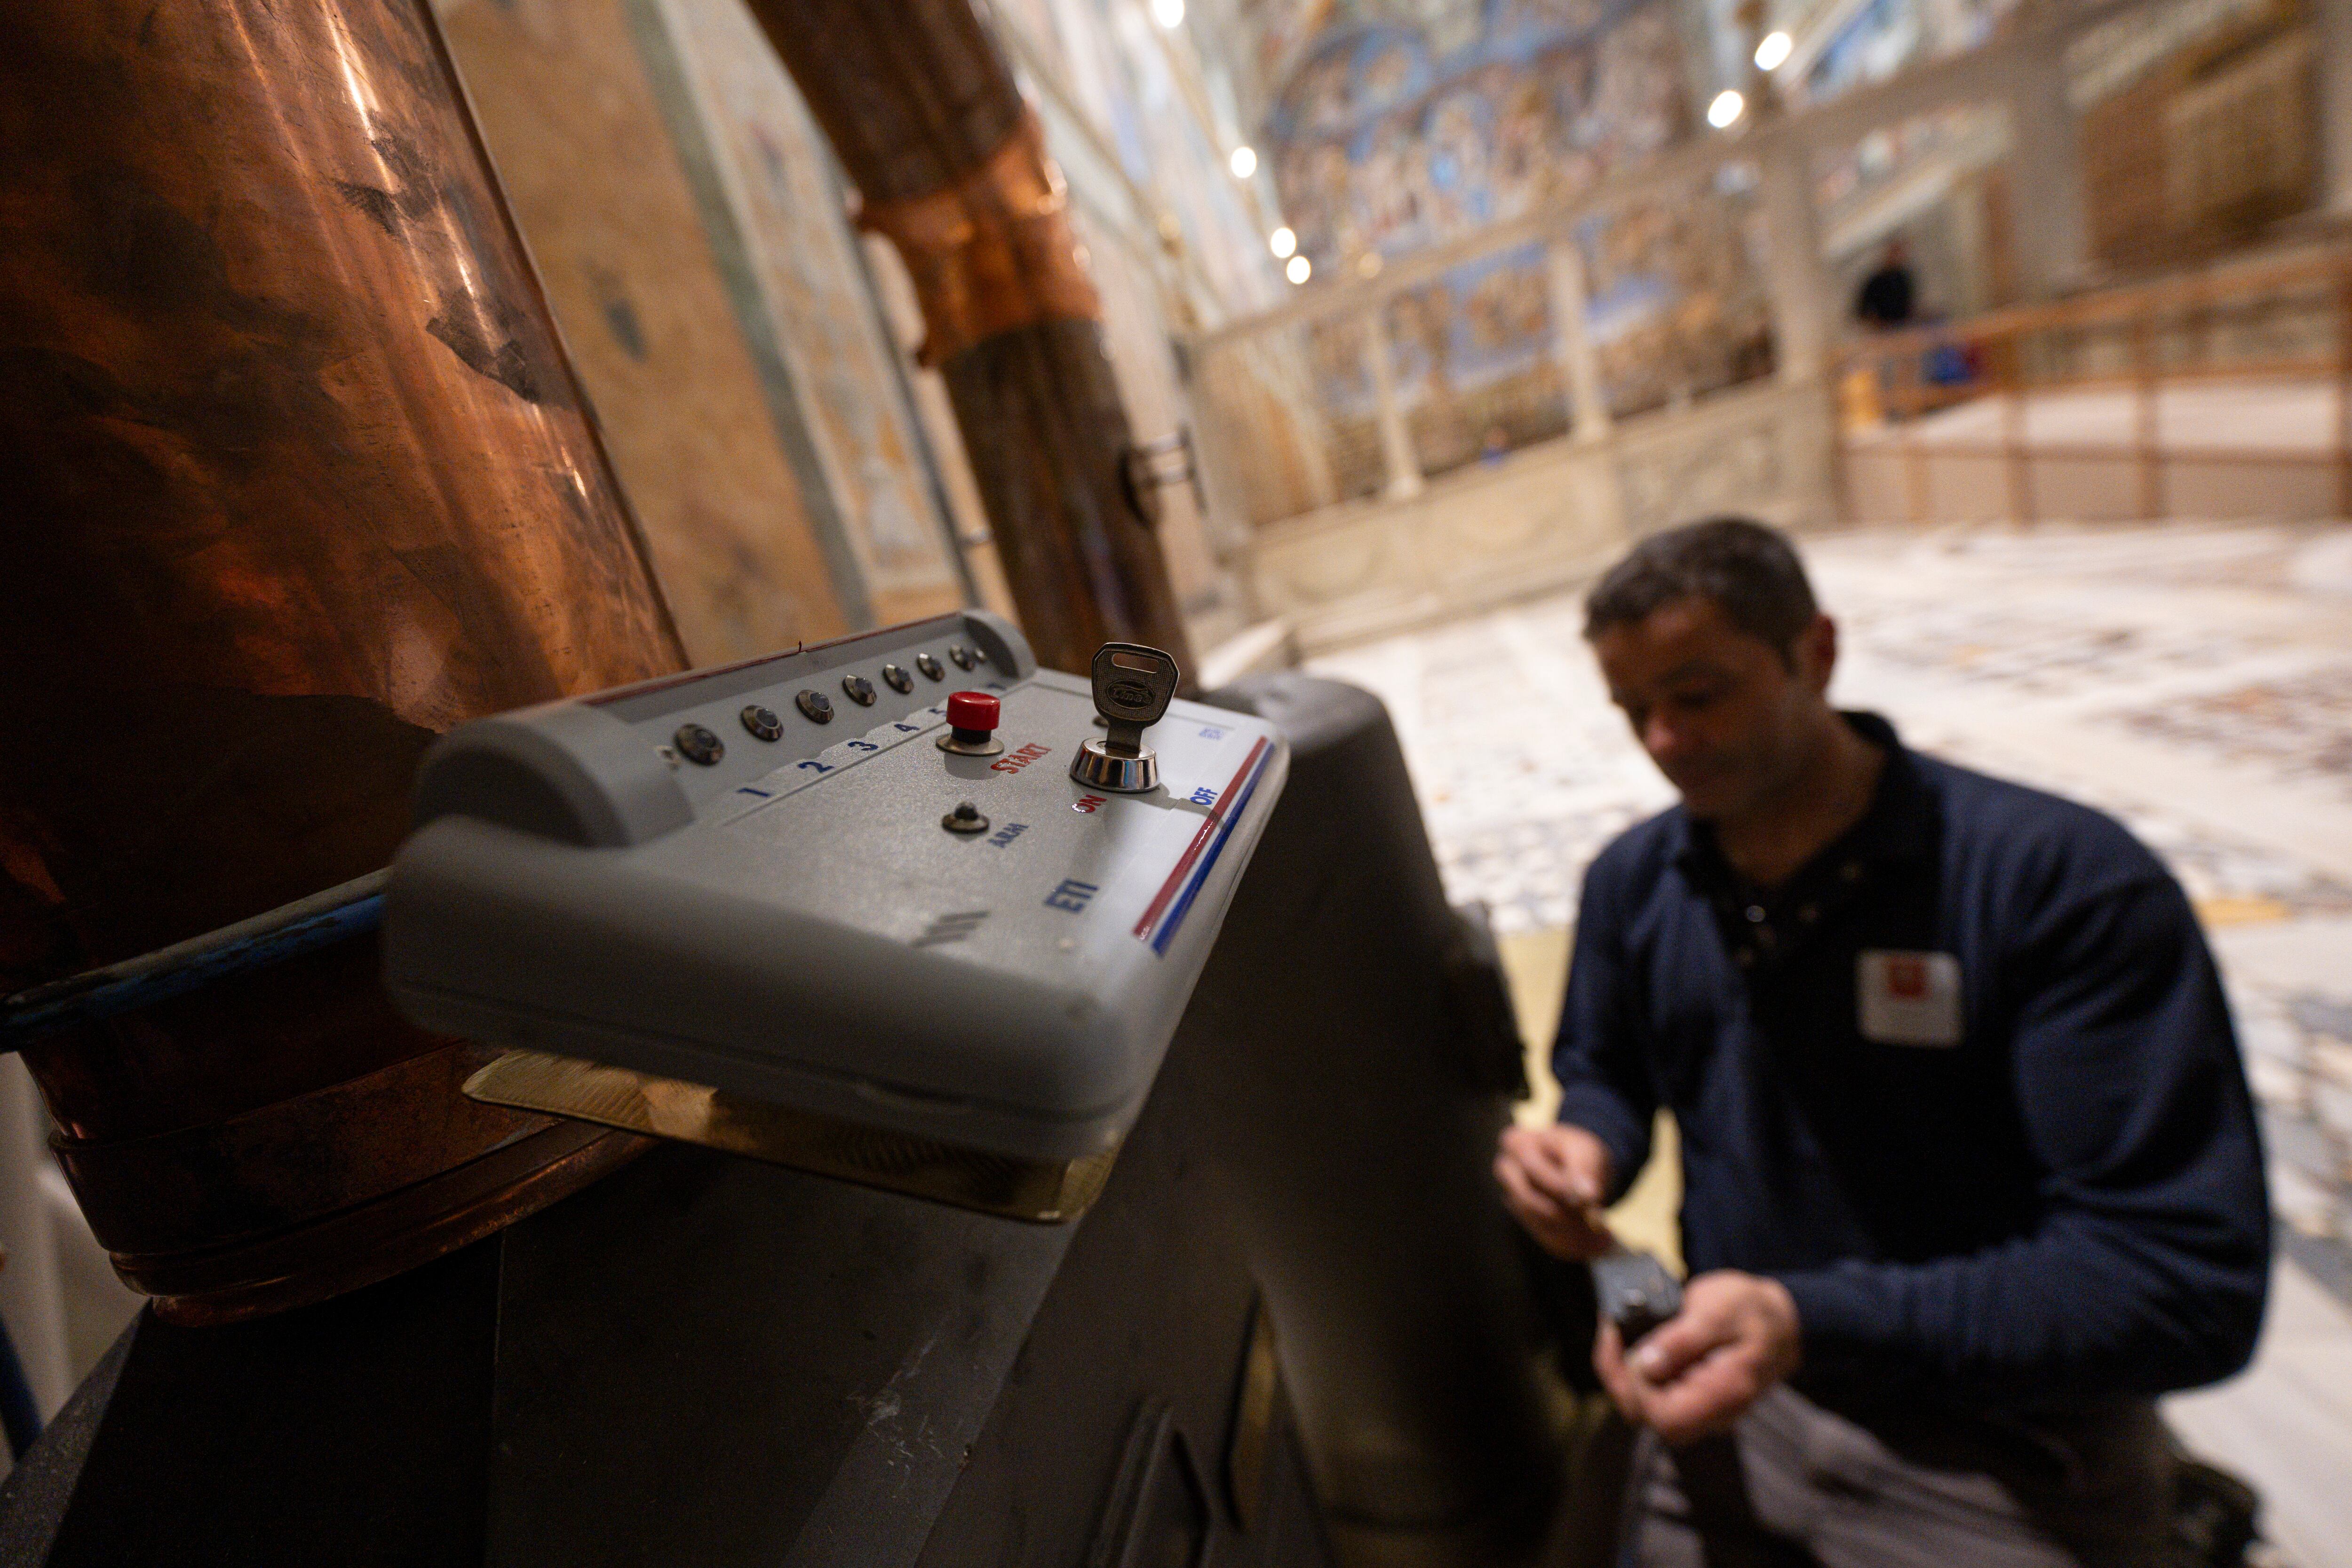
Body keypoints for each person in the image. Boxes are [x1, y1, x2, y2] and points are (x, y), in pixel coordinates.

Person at [1493, 518, 2269, 1568]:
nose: (1663, 740)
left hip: (2009, 1442)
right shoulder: (1634, 883)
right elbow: (1608, 1067)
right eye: (1635, 710)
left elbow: (2179, 1281)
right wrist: (1587, 1143)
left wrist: (1803, 1314)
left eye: (1699, 693)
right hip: (1739, 1393)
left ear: (1814, 651)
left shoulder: (2059, 885)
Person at [1854, 239, 1917, 330]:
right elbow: (1862, 310)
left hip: (1903, 328)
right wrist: (1877, 323)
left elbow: (1909, 305)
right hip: (1883, 331)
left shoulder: (1903, 278)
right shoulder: (1876, 280)